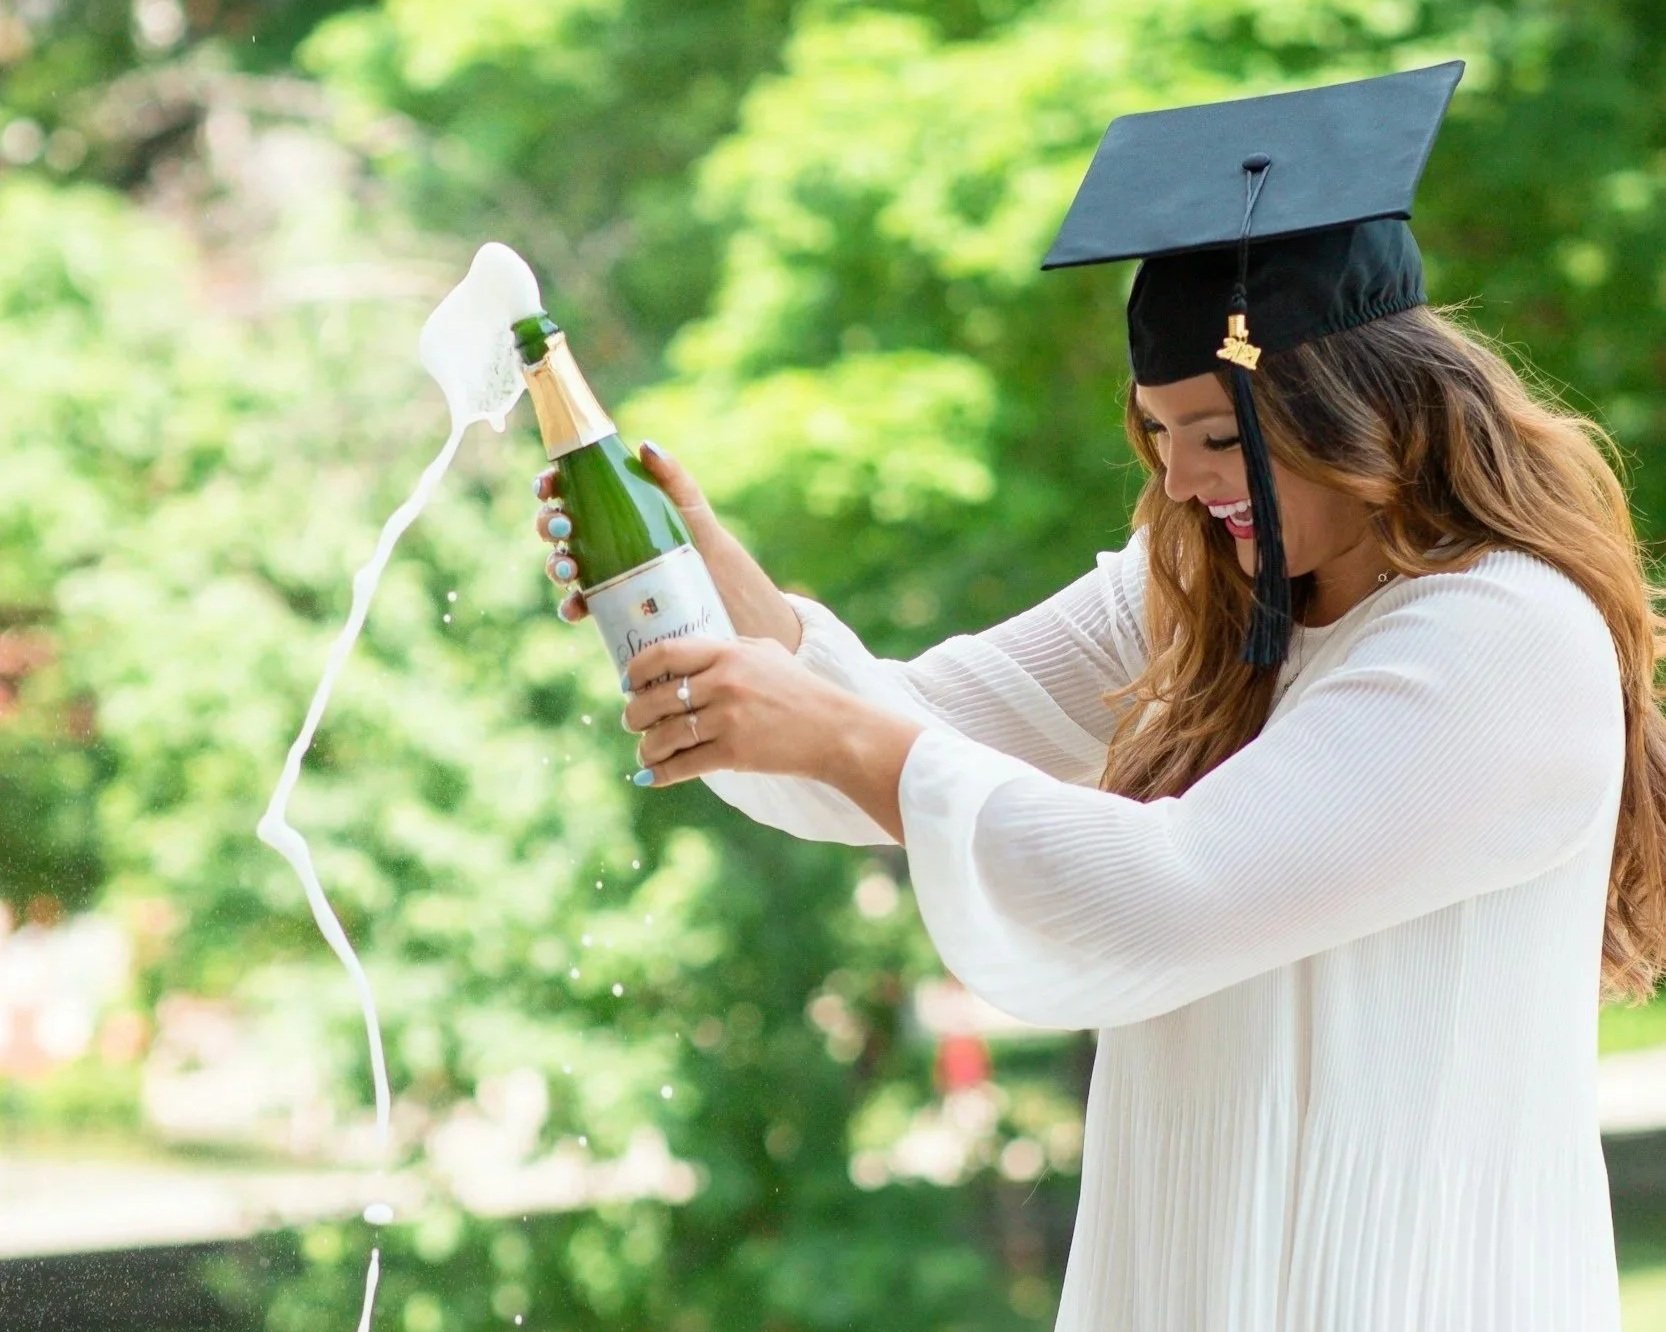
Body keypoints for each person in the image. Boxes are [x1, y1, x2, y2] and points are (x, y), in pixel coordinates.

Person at [529, 63, 1666, 1332]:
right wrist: (697, 582)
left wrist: (852, 740)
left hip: (1402, 1288)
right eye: (1156, 436)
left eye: (1221, 438)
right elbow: (901, 733)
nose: (1181, 484)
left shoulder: (1498, 640)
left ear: (1361, 411)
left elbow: (1167, 891)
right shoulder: (1201, 597)